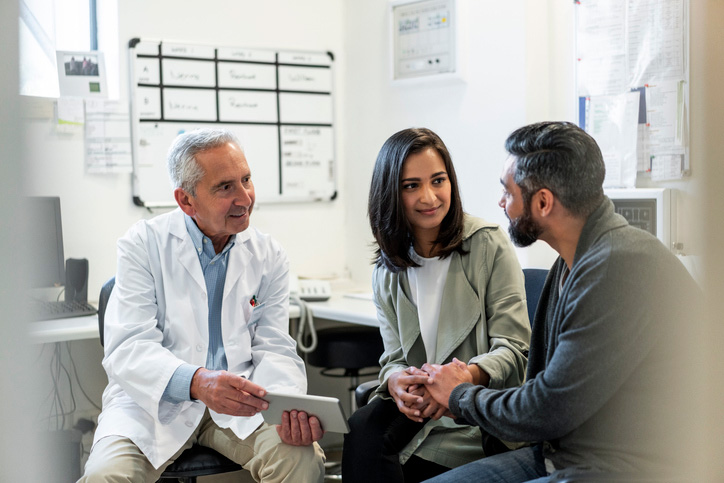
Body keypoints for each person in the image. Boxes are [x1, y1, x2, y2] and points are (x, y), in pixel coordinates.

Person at [421, 121, 700, 482]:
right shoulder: (572, 261)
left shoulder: (620, 265)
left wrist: (459, 395)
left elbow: (550, 407)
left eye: (507, 192)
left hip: (632, 468)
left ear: (543, 202)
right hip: (563, 454)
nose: (501, 202)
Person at [79, 129, 326, 482]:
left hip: (240, 403)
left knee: (301, 460)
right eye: (226, 187)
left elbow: (274, 347)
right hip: (152, 404)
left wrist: (286, 408)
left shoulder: (268, 254)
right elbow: (128, 348)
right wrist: (196, 382)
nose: (245, 198)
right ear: (186, 201)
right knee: (107, 476)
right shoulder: (142, 244)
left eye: (246, 180)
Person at [342, 128, 531, 482]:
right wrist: (397, 379)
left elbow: (515, 349)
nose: (428, 196)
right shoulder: (387, 269)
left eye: (438, 181)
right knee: (362, 428)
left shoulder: (488, 245)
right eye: (411, 185)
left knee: (407, 465)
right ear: (391, 194)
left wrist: (460, 380)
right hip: (419, 408)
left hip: (474, 409)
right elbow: (394, 357)